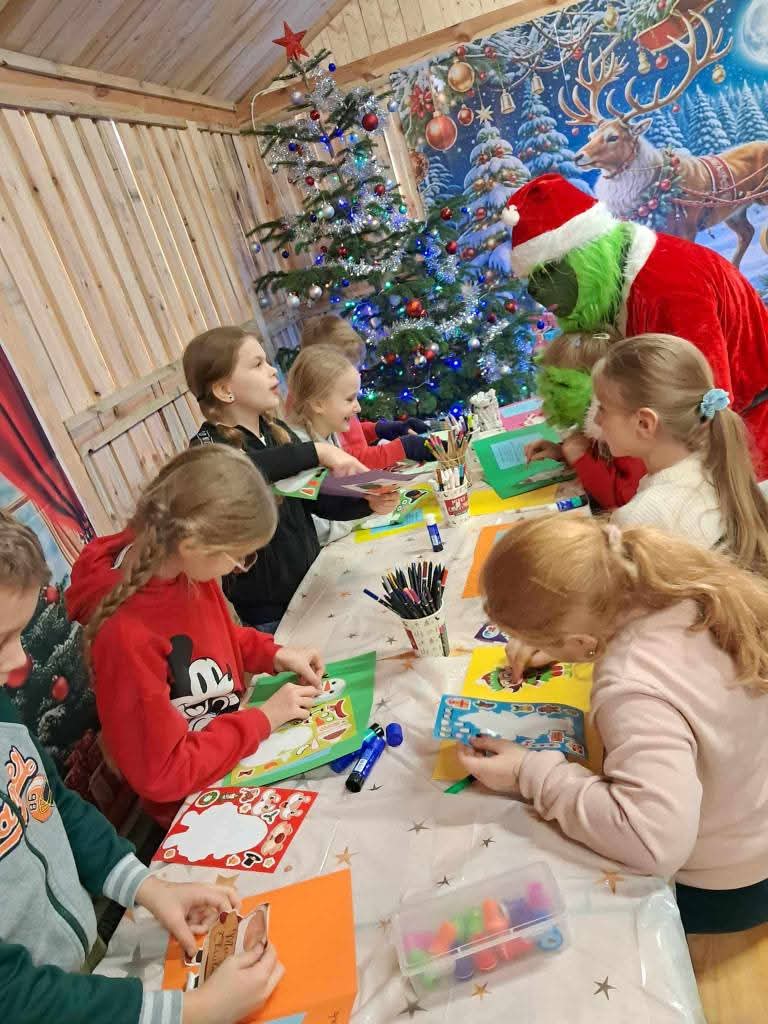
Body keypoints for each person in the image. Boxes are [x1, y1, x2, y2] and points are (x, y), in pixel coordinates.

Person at [0, 512, 283, 1024]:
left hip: (74, 971)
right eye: (0, 641)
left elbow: (51, 803)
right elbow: (12, 997)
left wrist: (148, 888)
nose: (20, 662)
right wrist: (191, 1011)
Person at [460, 515, 768, 934]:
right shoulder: (674, 583)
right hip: (749, 826)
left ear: (581, 642)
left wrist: (527, 772)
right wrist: (569, 645)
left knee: (540, 896)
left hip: (731, 889)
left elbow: (653, 843)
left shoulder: (628, 688)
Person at [67, 446, 325, 829]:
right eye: (241, 557)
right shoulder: (124, 634)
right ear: (193, 546)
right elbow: (164, 773)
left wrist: (272, 654)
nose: (239, 568)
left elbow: (213, 642)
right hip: (195, 807)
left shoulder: (180, 567)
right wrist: (263, 719)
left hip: (229, 753)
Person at [501, 173, 768, 501]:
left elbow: (698, 418)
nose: (537, 291)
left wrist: (596, 466)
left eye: (547, 271)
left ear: (584, 254)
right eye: (531, 279)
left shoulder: (668, 290)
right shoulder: (613, 286)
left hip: (748, 449)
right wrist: (578, 452)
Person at [183, 326, 387, 629]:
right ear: (224, 390)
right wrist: (317, 451)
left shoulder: (276, 432)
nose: (271, 371)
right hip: (270, 617)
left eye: (267, 361)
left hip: (313, 587)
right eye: (257, 365)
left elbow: (314, 499)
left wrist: (367, 503)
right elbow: (243, 469)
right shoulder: (207, 448)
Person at [592, 334, 768, 573]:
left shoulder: (641, 519)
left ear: (644, 423)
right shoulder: (717, 463)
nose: (596, 419)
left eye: (602, 408)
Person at [286, 345, 399, 545]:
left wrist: (374, 501)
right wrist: (364, 512)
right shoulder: (299, 449)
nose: (358, 407)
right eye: (349, 399)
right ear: (318, 403)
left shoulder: (329, 434)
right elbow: (319, 528)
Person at [526, 329, 645, 509]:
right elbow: (598, 458)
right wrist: (562, 453)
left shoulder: (628, 436)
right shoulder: (593, 426)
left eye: (562, 384)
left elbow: (625, 503)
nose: (551, 392)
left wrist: (580, 458)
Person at [300, 314, 433, 468]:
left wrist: (379, 429)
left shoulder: (333, 401)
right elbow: (351, 460)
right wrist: (403, 447)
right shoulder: (316, 413)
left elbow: (350, 436)